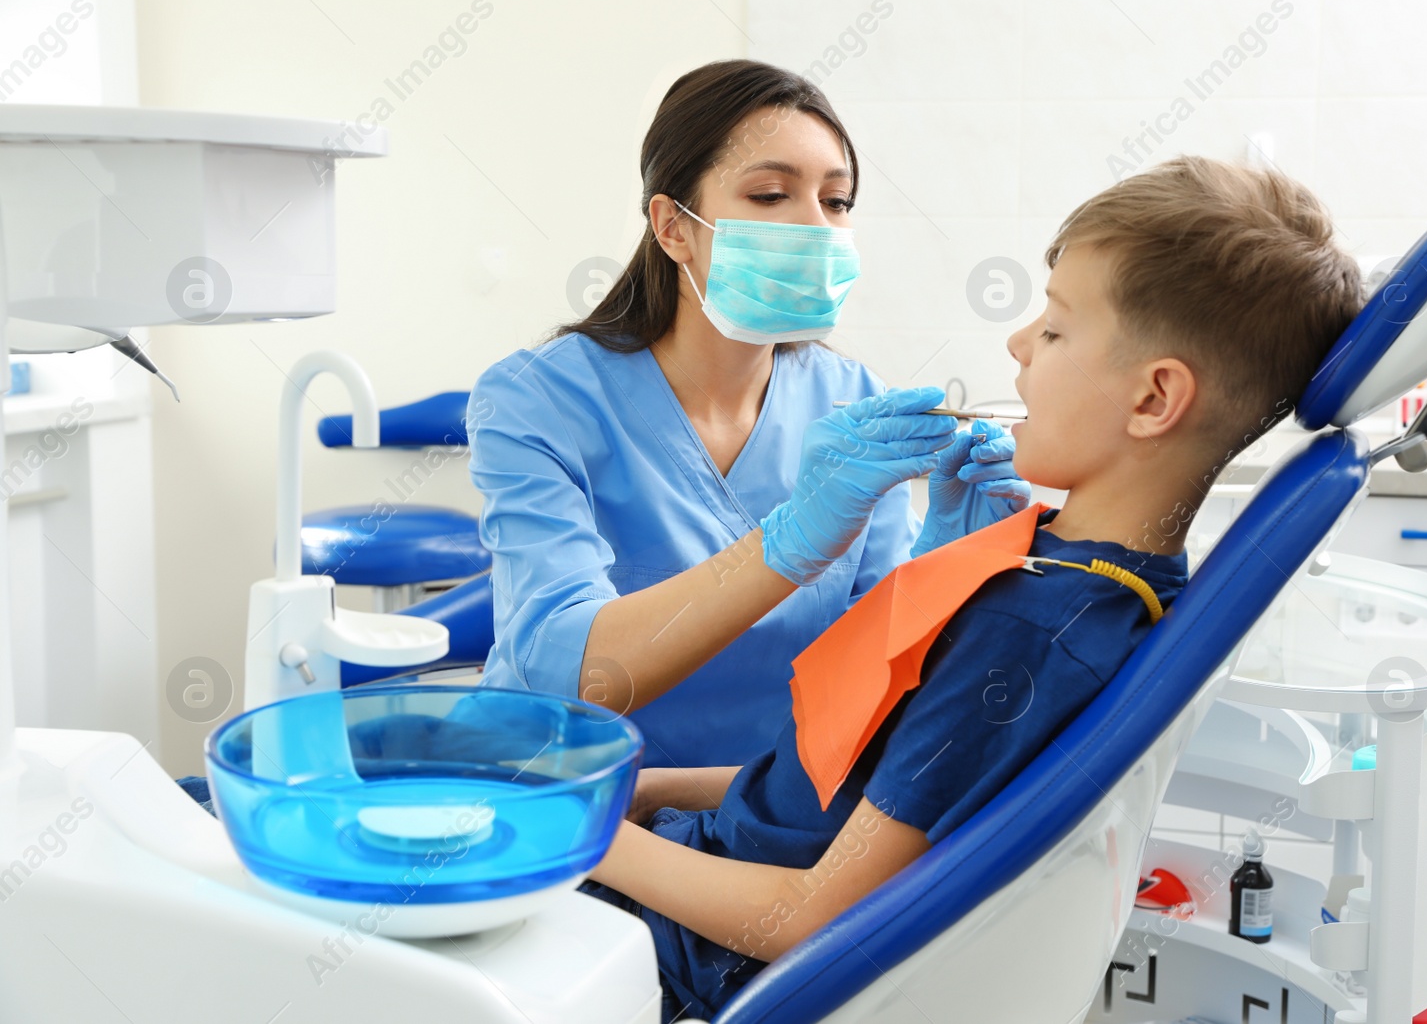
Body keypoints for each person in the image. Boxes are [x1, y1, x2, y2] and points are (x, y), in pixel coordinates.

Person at [579, 156, 1366, 1019]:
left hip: (704, 950)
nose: (1018, 342)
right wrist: (653, 789)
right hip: (710, 858)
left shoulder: (1029, 634)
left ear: (1154, 398)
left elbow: (808, 914)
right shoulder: (1096, 584)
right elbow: (851, 787)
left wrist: (587, 838)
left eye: (1057, 329)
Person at [466, 59, 1028, 769]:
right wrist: (786, 543)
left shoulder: (851, 398)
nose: (816, 226)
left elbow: (871, 675)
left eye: (838, 201)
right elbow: (570, 671)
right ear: (673, 227)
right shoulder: (536, 400)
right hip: (561, 791)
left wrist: (944, 564)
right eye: (770, 194)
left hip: (751, 806)